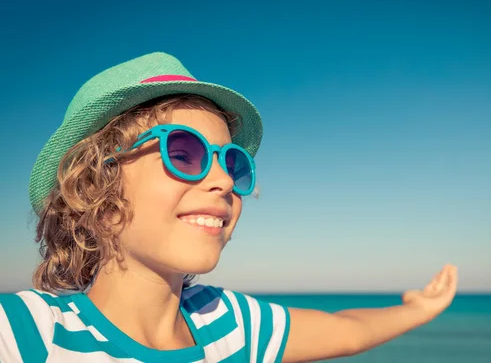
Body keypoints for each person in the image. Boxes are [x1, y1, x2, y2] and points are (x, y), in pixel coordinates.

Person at [0, 52, 458, 363]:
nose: (222, 181)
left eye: (232, 162)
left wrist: (421, 309)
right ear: (94, 188)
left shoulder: (229, 323)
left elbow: (348, 330)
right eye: (183, 153)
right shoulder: (29, 335)